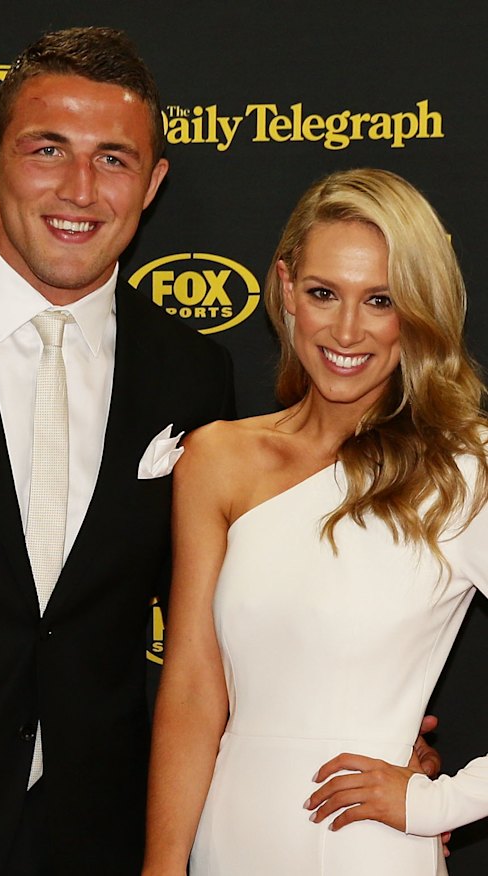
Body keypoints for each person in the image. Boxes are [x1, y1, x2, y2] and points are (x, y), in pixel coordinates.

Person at [0, 26, 235, 876]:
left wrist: (350, 718)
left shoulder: (191, 373)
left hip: (95, 837)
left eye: (114, 159)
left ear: (153, 182)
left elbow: (220, 614)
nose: (80, 190)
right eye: (48, 149)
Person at [141, 168, 488, 875]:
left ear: (416, 311)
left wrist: (441, 804)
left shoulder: (463, 469)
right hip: (225, 839)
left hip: (367, 850)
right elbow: (193, 690)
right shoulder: (216, 458)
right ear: (286, 289)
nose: (347, 330)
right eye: (324, 293)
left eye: (381, 300)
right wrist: (162, 865)